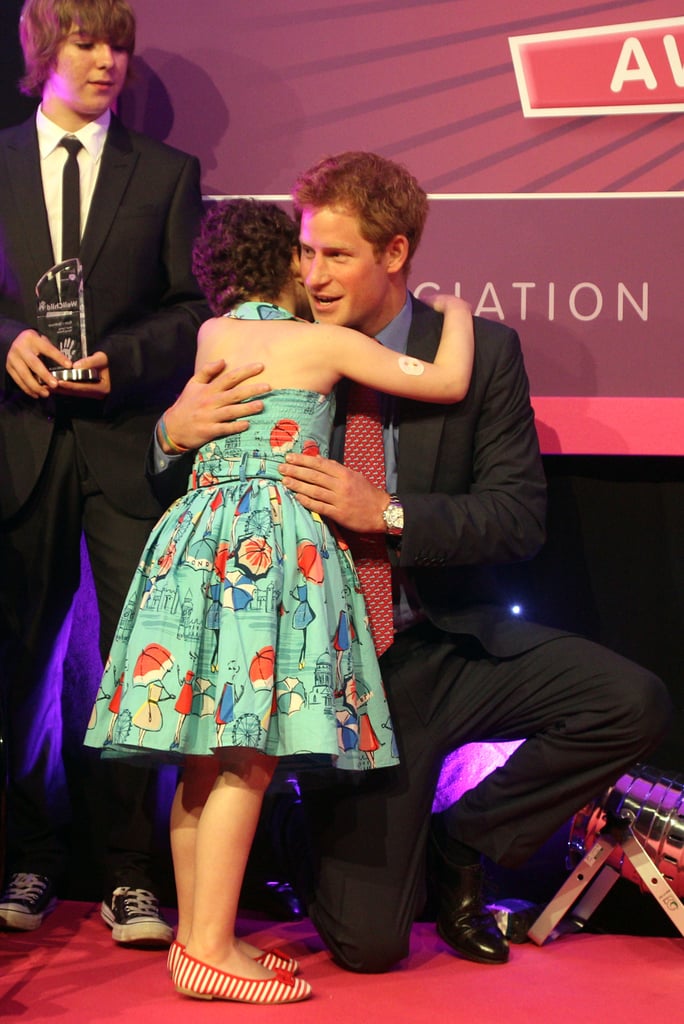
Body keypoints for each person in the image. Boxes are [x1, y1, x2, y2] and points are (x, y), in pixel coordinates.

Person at [154, 152, 672, 975]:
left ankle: (463, 840)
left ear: (394, 254)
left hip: (439, 647)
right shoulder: (264, 343)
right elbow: (184, 489)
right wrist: (171, 431)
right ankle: (303, 819)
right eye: (305, 250)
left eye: (335, 255)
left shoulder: (480, 353)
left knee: (630, 700)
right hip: (325, 672)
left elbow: (516, 517)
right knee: (370, 949)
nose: (311, 272)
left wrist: (385, 514)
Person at [83, 196, 473, 1002]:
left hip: (192, 543)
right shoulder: (324, 342)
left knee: (200, 757)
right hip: (269, 552)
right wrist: (458, 311)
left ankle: (197, 940)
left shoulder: (211, 335)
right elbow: (446, 378)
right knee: (249, 754)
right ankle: (214, 948)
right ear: (294, 264)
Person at [0, 0, 221, 945]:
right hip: (17, 444)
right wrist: (4, 340)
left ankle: (131, 875)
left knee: (140, 662)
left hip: (125, 443)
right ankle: (32, 854)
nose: (109, 62)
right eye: (89, 43)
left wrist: (120, 363)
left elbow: (188, 308)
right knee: (19, 668)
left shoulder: (168, 173)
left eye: (120, 45)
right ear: (45, 49)